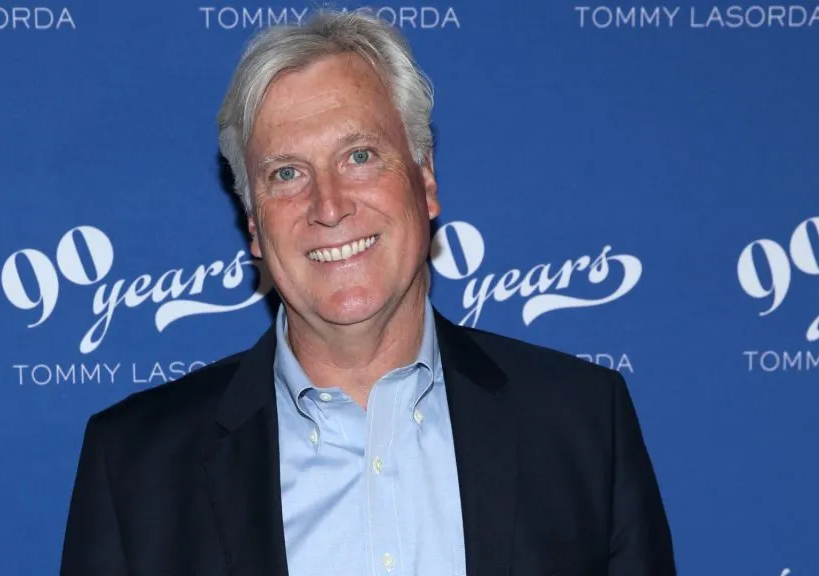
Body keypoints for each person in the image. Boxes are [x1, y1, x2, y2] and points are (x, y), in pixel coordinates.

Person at [60, 9, 675, 576]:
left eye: (359, 155)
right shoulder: (136, 467)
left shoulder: (585, 424)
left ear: (425, 181)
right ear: (254, 224)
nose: (328, 206)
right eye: (286, 174)